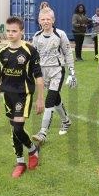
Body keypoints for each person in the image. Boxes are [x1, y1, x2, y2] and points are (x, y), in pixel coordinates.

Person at [0, 16, 45, 178]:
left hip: (24, 94)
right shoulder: (2, 52)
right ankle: (21, 162)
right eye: (8, 31)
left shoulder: (29, 51)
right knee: (14, 129)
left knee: (17, 128)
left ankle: (32, 150)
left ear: (21, 31)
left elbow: (38, 77)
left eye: (14, 31)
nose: (10, 34)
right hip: (8, 95)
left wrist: (40, 99)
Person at [31, 8, 76, 145]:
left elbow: (68, 53)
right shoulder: (36, 36)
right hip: (43, 73)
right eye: (43, 19)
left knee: (49, 100)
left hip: (57, 71)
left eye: (48, 19)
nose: (46, 21)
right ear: (39, 21)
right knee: (56, 99)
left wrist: (72, 72)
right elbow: (33, 56)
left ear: (53, 20)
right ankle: (66, 121)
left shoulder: (60, 34)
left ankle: (43, 132)